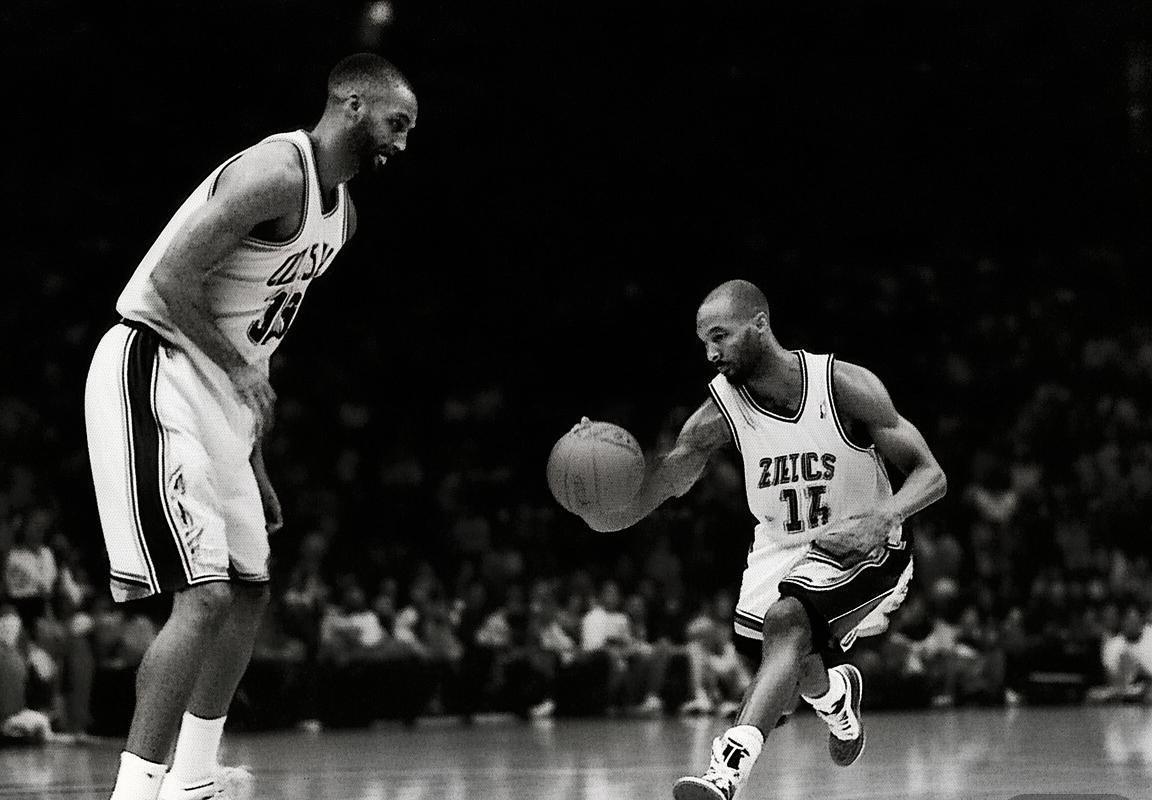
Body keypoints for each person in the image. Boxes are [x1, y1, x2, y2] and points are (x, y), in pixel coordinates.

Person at [83, 53, 417, 800]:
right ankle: (134, 792)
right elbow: (170, 279)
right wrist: (235, 375)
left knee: (249, 592)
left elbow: (256, 340)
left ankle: (193, 779)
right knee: (202, 597)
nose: (402, 141)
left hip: (222, 398)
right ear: (352, 104)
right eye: (397, 122)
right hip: (158, 363)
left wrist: (251, 453)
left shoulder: (342, 218)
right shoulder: (275, 172)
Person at [573, 279, 946, 800]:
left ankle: (726, 770)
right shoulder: (721, 409)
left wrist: (883, 517)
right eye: (704, 342)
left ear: (760, 324)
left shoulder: (842, 385)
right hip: (780, 549)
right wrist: (602, 510)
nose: (711, 353)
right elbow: (670, 476)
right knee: (788, 666)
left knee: (788, 622)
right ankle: (837, 697)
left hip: (862, 542)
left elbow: (931, 475)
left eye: (720, 336)